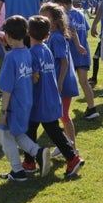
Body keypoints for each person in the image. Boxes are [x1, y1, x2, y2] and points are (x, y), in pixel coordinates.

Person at [26, 15, 85, 178]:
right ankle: (29, 162)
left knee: (50, 131)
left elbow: (34, 78)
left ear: (28, 33)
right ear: (47, 35)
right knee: (36, 129)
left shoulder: (32, 53)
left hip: (40, 100)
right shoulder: (46, 50)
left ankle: (72, 158)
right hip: (51, 98)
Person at [0, 15, 45, 183]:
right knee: (18, 134)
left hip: (13, 105)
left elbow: (6, 89)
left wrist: (3, 111)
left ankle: (17, 170)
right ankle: (38, 152)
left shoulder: (10, 58)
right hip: (26, 101)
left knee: (5, 135)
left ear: (7, 35)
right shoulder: (26, 53)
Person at [41, 3, 82, 156]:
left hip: (63, 82)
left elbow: (64, 62)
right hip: (59, 81)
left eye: (47, 18)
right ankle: (66, 143)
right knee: (60, 114)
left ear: (56, 20)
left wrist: (58, 84)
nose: (43, 21)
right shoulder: (53, 36)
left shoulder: (57, 37)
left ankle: (73, 148)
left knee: (64, 115)